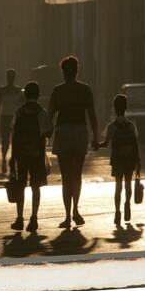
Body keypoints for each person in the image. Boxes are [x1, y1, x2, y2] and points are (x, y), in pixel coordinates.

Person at [48, 56, 98, 228]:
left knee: (65, 177)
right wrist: (96, 137)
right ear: (77, 71)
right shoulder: (84, 90)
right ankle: (76, 210)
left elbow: (50, 115)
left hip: (63, 132)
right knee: (76, 175)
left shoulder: (58, 90)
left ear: (63, 71)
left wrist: (45, 134)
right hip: (79, 132)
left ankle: (68, 216)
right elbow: (92, 115)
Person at [9, 82, 53, 232]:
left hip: (21, 154)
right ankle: (34, 218)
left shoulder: (19, 112)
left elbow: (14, 136)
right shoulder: (42, 112)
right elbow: (48, 132)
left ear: (25, 95)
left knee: (21, 185)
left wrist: (12, 157)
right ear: (38, 95)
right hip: (37, 154)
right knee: (36, 186)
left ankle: (19, 218)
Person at [99, 94, 141, 226]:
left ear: (114, 108)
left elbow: (105, 143)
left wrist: (96, 145)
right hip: (130, 159)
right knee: (128, 184)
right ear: (126, 108)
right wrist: (138, 161)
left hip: (117, 160)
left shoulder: (112, 126)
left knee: (118, 186)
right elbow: (135, 144)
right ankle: (127, 204)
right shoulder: (131, 126)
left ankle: (117, 212)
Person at [0, 69, 23, 174]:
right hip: (5, 118)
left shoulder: (18, 90)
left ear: (14, 78)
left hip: (15, 118)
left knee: (15, 142)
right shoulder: (2, 90)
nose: (10, 79)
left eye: (12, 77)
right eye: (9, 77)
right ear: (7, 78)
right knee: (5, 141)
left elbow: (21, 105)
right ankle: (3, 160)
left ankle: (12, 162)